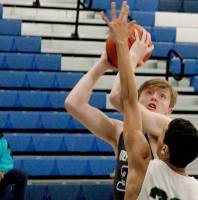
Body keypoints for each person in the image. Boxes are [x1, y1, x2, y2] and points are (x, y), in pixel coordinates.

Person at [100, 1, 198, 200]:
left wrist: (121, 45)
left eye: (163, 133)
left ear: (164, 149)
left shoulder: (143, 164)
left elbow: (127, 99)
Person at [64, 4, 176, 200]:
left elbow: (117, 97)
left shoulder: (168, 128)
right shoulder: (120, 132)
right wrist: (103, 64)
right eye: (148, 93)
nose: (154, 97)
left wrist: (130, 54)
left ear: (169, 110)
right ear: (137, 99)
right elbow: (74, 104)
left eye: (162, 96)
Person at [0, 133, 27, 200]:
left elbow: (8, 161)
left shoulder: (3, 141)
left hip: (2, 175)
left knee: (22, 175)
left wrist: (2, 170)